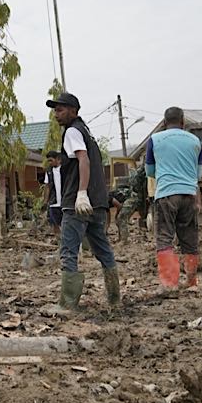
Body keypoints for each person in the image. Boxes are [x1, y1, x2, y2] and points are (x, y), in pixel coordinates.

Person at [46, 92, 119, 310]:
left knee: (69, 251)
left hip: (77, 202)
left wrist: (81, 193)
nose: (56, 115)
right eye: (55, 110)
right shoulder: (86, 131)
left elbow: (83, 160)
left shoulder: (72, 132)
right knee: (103, 249)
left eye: (61, 110)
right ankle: (115, 299)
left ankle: (68, 305)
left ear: (74, 111)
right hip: (97, 203)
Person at [145, 107, 202, 288]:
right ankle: (191, 281)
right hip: (189, 193)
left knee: (164, 237)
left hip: (166, 194)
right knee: (189, 238)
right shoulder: (196, 141)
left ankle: (170, 283)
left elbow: (150, 171)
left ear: (164, 123)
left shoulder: (154, 140)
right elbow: (199, 174)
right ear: (183, 122)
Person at [111, 165, 148, 244]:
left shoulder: (140, 173)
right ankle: (122, 238)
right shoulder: (137, 173)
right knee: (119, 218)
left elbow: (118, 206)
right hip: (132, 196)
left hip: (134, 197)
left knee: (121, 218)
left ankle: (124, 240)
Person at [43, 150, 63, 239]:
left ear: (57, 159)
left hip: (65, 201)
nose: (50, 163)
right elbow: (47, 187)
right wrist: (45, 201)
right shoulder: (49, 172)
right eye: (49, 161)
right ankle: (59, 240)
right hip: (54, 201)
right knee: (54, 223)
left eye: (51, 160)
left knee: (66, 223)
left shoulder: (64, 170)